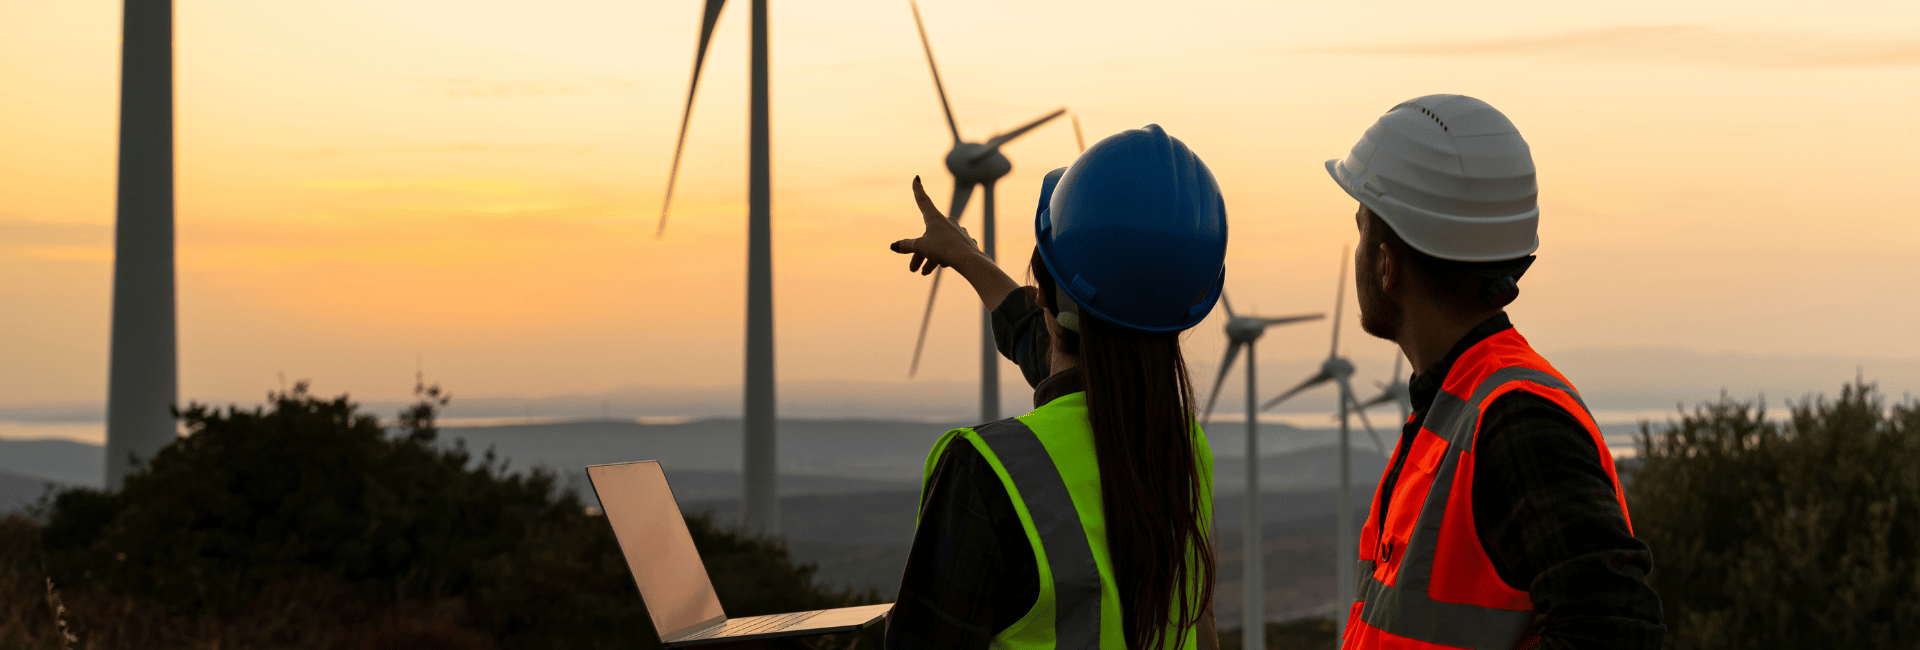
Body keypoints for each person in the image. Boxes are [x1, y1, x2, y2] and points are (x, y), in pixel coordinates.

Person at [1328, 95, 1664, 649]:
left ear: (1388, 264)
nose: (1358, 251)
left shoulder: (1517, 421)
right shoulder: (1457, 408)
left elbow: (1617, 627)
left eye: (1363, 228)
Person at [882, 125, 1226, 650]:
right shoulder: (1182, 448)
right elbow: (1056, 349)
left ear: (1045, 295)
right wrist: (970, 259)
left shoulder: (987, 473)